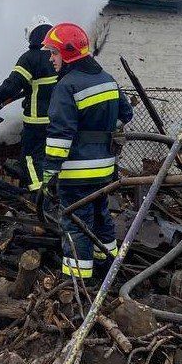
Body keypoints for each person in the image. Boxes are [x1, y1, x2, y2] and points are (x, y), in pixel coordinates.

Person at [41, 22, 133, 281]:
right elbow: (126, 113)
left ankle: (77, 281)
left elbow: (60, 136)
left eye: (54, 53)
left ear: (67, 54)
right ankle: (107, 267)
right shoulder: (107, 79)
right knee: (101, 217)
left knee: (76, 224)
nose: (51, 59)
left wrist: (49, 173)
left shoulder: (67, 86)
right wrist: (99, 130)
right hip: (104, 170)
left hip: (76, 172)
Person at [0, 16, 59, 192]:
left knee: (30, 159)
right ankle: (55, 194)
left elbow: (10, 87)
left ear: (32, 36)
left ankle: (40, 197)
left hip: (38, 122)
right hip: (61, 120)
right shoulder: (60, 56)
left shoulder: (30, 58)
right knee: (53, 158)